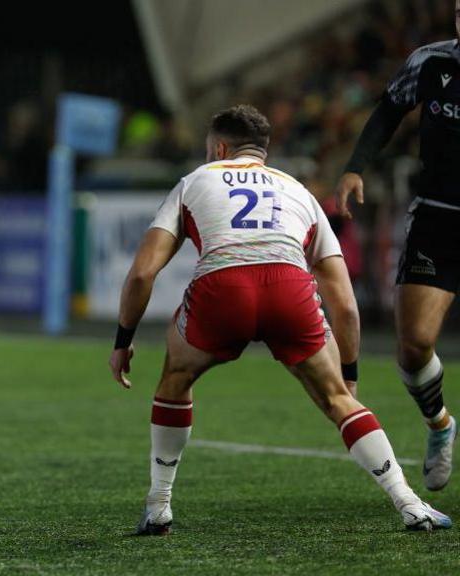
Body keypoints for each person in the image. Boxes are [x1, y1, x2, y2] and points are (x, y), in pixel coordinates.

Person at [110, 105, 450, 534]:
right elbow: (344, 302)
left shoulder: (194, 181)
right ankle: (409, 503)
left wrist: (122, 341)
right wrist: (347, 374)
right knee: (338, 400)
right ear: (263, 151)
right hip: (289, 288)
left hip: (223, 290)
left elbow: (142, 273)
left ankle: (159, 504)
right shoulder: (300, 192)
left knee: (175, 378)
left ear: (220, 148)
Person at [336, 2, 460, 492]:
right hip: (437, 219)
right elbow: (389, 109)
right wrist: (355, 166)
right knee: (413, 346)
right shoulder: (429, 61)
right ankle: (440, 424)